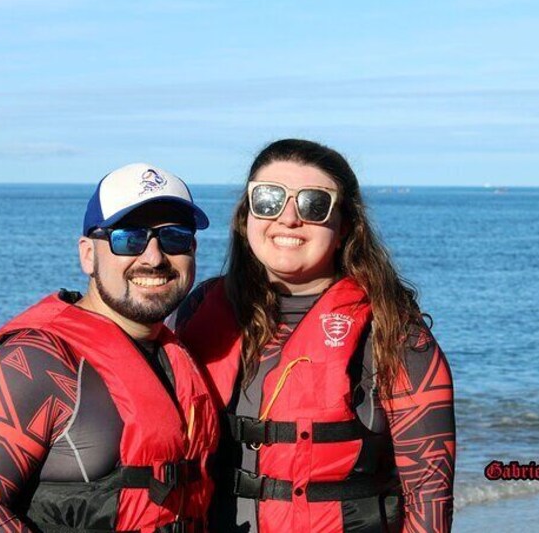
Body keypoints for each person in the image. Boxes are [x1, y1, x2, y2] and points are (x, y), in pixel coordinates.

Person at [173, 140, 456, 532]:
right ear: (245, 217)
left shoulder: (392, 330)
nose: (288, 218)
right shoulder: (199, 310)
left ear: (345, 227)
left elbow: (429, 493)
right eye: (268, 199)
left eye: (313, 204)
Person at [0, 164, 219, 533]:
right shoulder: (39, 359)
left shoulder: (177, 353)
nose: (154, 257)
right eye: (128, 238)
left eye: (175, 238)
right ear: (87, 254)